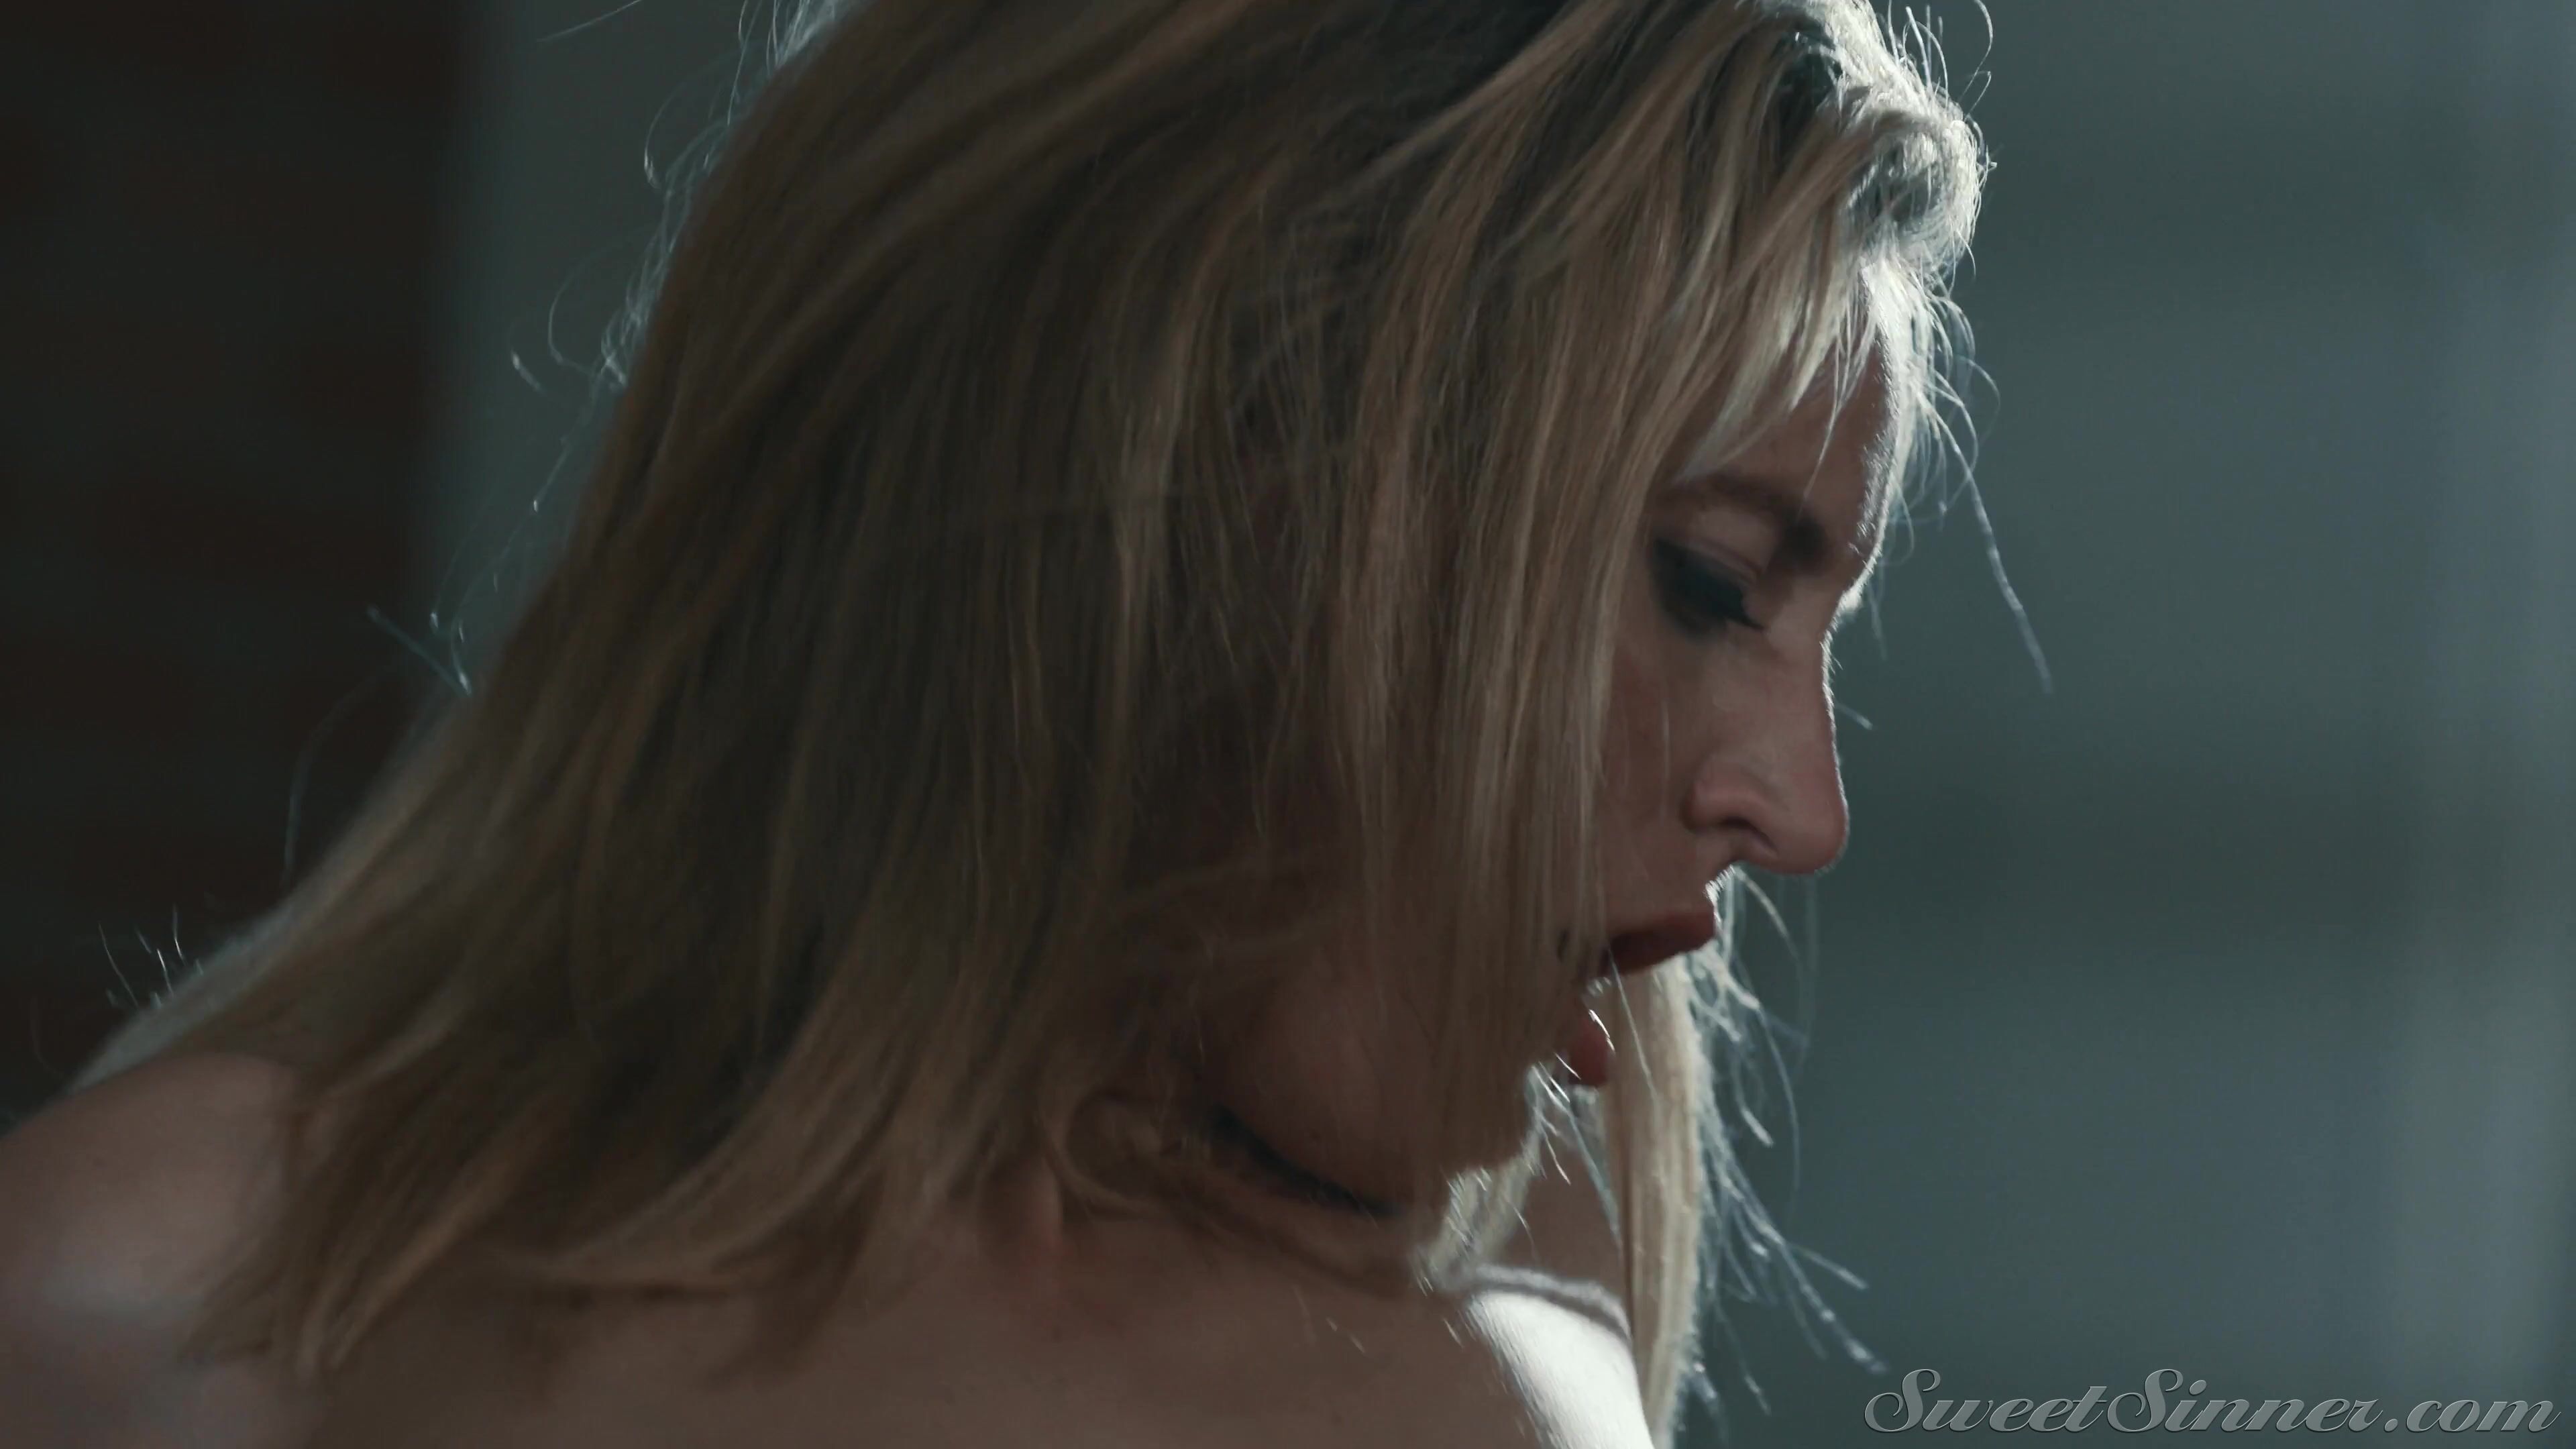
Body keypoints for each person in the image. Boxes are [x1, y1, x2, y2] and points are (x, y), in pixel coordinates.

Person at [0, 0, 1982, 1443]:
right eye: (1709, 580)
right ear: (1227, 459)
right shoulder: (165, 1300)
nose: (1801, 808)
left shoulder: (1506, 1332)